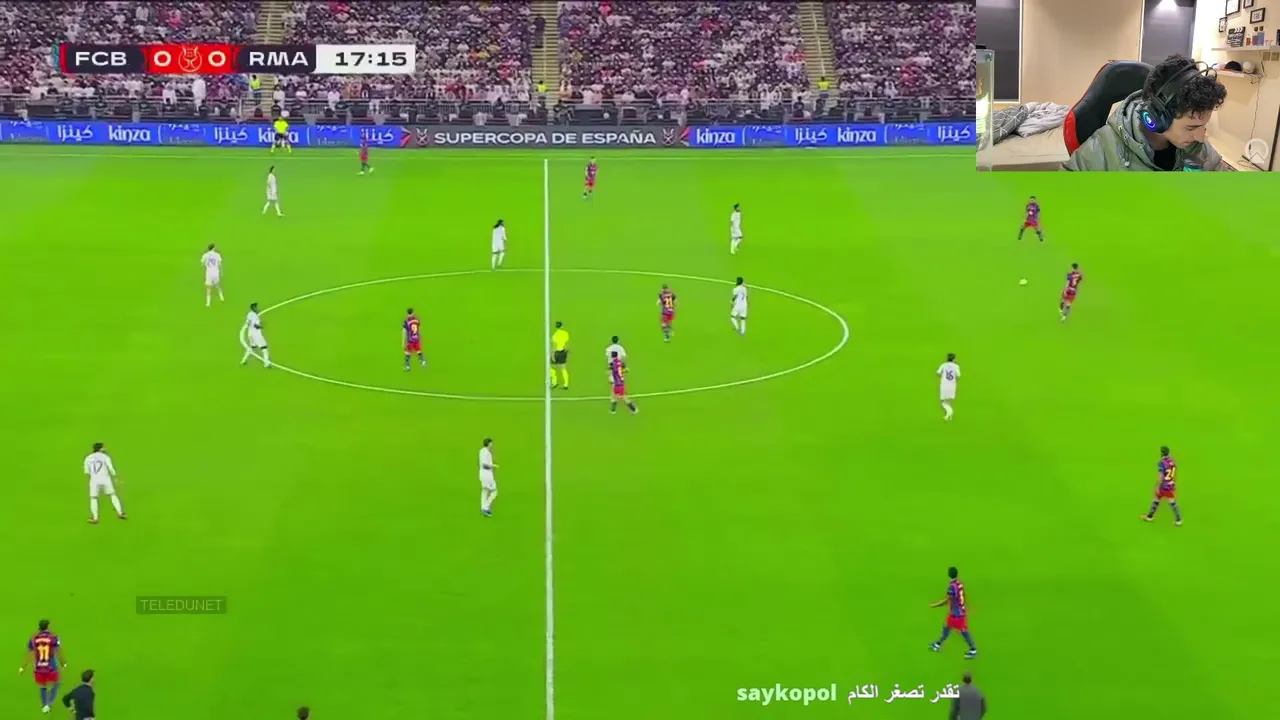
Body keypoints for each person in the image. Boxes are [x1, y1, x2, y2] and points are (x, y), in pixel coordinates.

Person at [1064, 54, 1229, 171]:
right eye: (1191, 128)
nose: (1200, 137)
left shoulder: (1195, 145)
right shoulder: (1105, 146)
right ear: (1157, 117)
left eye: (1203, 126)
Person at [21, 619, 64, 713]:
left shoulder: (33, 639)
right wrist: (62, 662)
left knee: (42, 686)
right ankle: (49, 703)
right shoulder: (53, 637)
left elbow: (29, 653)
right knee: (57, 683)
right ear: (48, 626)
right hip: (51, 666)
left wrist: (23, 667)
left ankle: (44, 705)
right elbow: (58, 651)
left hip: (39, 667)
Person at [84, 442, 125, 523]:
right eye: (103, 447)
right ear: (100, 449)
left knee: (94, 498)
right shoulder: (105, 457)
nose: (105, 449)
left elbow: (87, 471)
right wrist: (115, 477)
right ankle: (120, 513)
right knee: (112, 495)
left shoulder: (88, 458)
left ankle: (95, 518)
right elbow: (111, 468)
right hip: (105, 479)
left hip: (94, 480)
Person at [242, 302, 271, 368]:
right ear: (253, 308)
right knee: (264, 348)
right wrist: (261, 326)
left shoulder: (249, 314)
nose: (258, 308)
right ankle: (266, 363)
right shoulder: (254, 316)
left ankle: (244, 360)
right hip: (256, 334)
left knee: (253, 347)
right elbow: (256, 325)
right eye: (256, 307)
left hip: (250, 334)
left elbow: (248, 323)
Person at [937, 353, 960, 421]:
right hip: (952, 386)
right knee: (948, 402)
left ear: (947, 358)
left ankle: (949, 414)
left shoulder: (943, 365)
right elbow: (958, 376)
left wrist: (943, 375)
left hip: (944, 385)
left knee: (943, 403)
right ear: (954, 359)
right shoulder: (956, 366)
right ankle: (948, 416)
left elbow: (938, 373)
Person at [479, 438, 498, 517]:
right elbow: (484, 464)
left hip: (483, 474)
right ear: (489, 443)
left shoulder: (482, 451)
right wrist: (493, 466)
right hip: (487, 475)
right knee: (494, 491)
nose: (492, 445)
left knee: (485, 491)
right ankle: (485, 507)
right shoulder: (486, 452)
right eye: (491, 443)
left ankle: (483, 508)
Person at [550, 321, 570, 389]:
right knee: (563, 368)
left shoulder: (554, 335)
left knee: (552, 368)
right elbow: (566, 344)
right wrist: (567, 352)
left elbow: (554, 345)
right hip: (563, 352)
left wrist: (552, 354)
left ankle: (554, 383)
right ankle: (566, 384)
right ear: (562, 326)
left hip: (557, 353)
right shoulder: (565, 333)